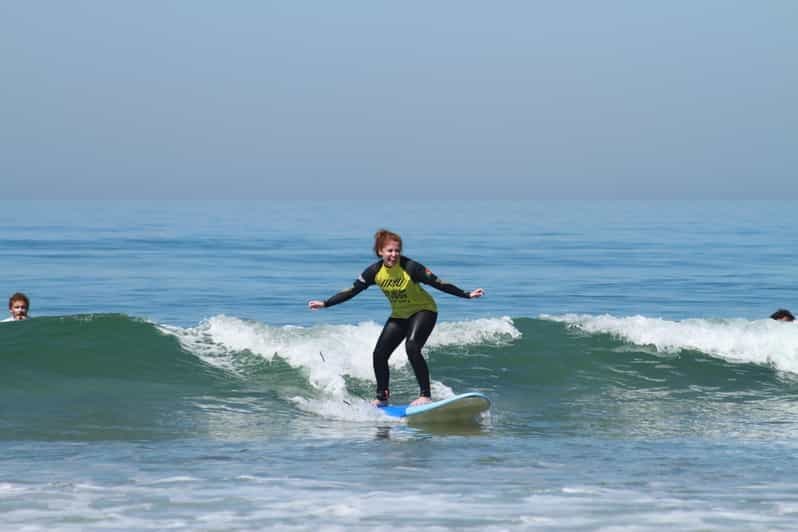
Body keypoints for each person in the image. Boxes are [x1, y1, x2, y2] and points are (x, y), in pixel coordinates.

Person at [308, 229, 484, 407]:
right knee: (379, 354)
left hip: (424, 310)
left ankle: (425, 395)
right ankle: (382, 397)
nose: (394, 254)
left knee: (412, 347)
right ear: (380, 252)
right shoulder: (374, 272)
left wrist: (466, 294)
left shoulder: (411, 267)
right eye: (390, 251)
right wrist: (326, 303)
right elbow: (352, 291)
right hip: (400, 315)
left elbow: (439, 283)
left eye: (397, 250)